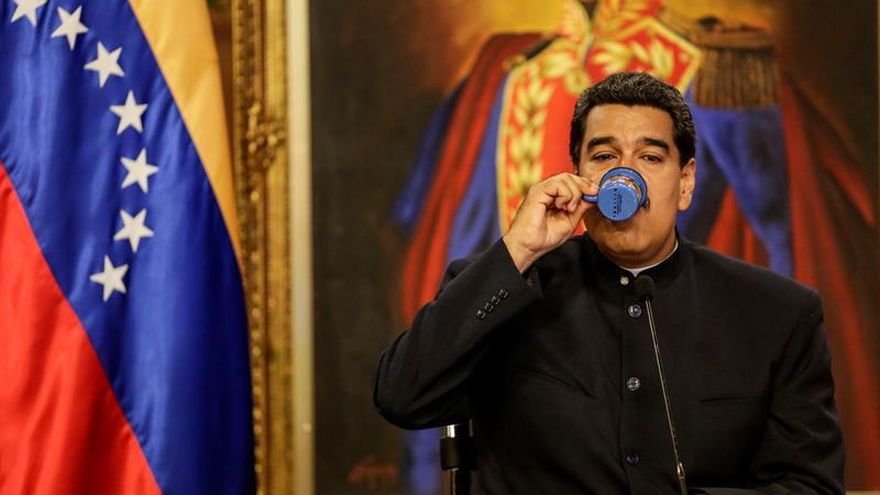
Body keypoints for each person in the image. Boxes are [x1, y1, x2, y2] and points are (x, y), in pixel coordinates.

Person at [374, 72, 844, 494]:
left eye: (650, 156)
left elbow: (811, 485)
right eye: (604, 156)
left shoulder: (777, 313)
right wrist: (518, 249)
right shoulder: (501, 287)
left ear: (685, 183)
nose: (626, 175)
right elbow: (402, 398)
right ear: (579, 176)